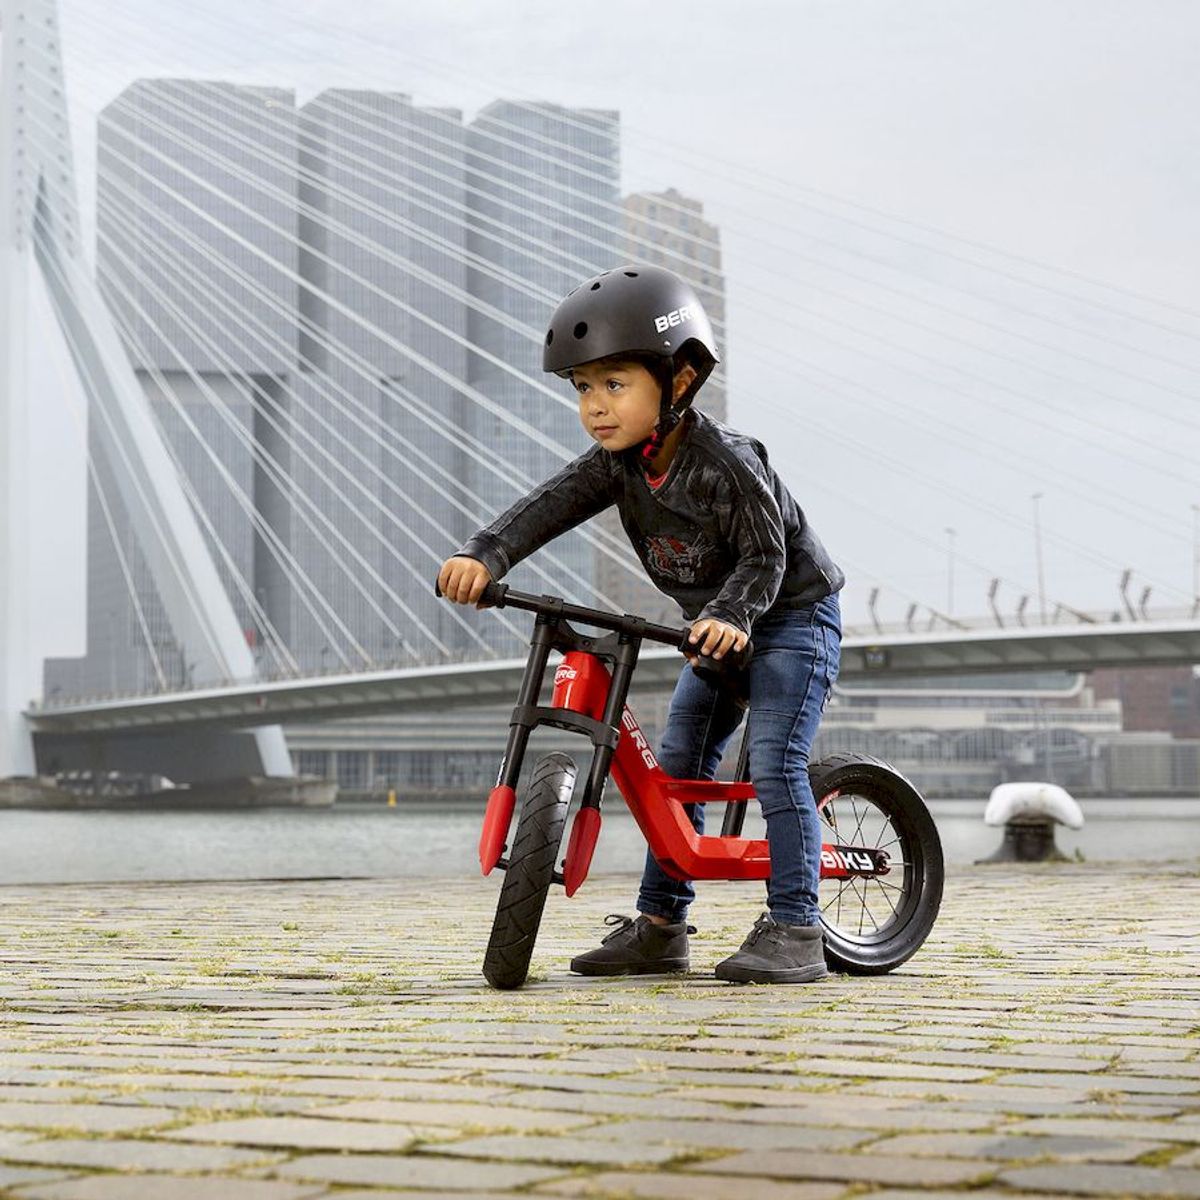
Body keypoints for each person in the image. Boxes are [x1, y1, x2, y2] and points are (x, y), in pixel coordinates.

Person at [437, 264, 844, 984]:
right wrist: (486, 553)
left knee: (776, 761)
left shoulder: (725, 461)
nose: (596, 405)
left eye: (614, 385)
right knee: (676, 762)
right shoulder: (618, 465)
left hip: (788, 620)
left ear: (679, 380)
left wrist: (731, 613)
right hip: (716, 634)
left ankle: (796, 927)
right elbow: (546, 505)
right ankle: (661, 926)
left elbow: (766, 553)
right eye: (584, 388)